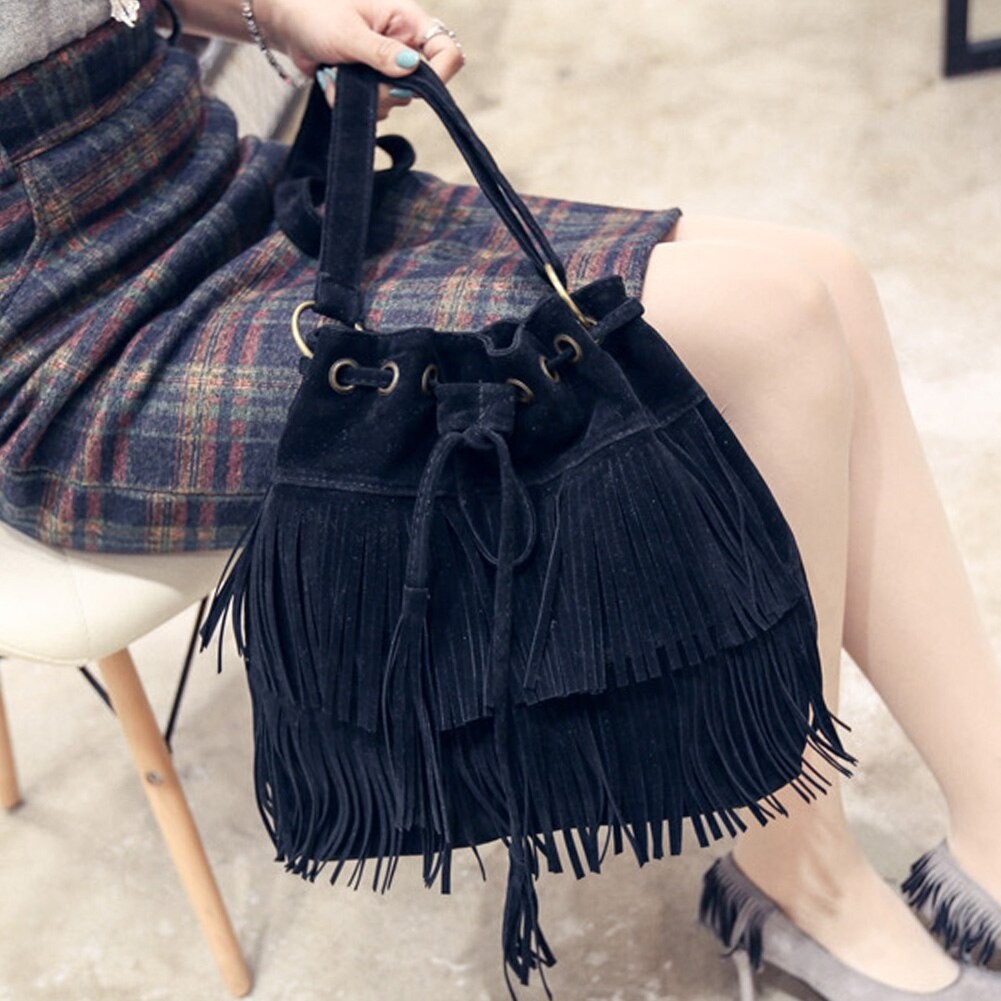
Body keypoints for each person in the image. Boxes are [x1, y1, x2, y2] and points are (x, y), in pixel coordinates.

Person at [1, 2, 998, 998]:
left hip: (209, 172)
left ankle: (992, 826)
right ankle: (799, 875)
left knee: (826, 279)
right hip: (69, 325)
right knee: (767, 328)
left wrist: (273, 13)